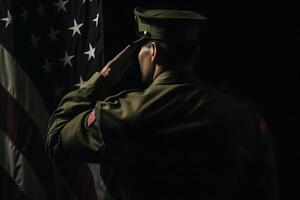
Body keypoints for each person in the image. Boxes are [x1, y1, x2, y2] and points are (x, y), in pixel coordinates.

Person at [46, 7, 277, 200]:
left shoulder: (121, 113)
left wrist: (102, 79)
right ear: (194, 52)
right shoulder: (242, 115)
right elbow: (264, 188)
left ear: (153, 51)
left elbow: (56, 138)